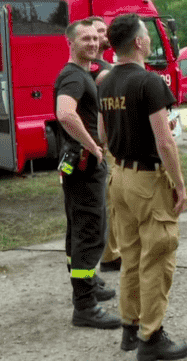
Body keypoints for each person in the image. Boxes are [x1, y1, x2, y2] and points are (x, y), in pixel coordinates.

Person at [97, 13, 187, 360]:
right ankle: (152, 338)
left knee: (132, 257)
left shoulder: (105, 82)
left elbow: (103, 135)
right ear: (138, 43)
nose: (150, 40)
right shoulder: (149, 83)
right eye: (146, 36)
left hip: (119, 177)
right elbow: (165, 141)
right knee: (158, 259)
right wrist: (179, 185)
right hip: (148, 181)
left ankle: (129, 328)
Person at [54, 18, 120, 329]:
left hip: (78, 165)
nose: (93, 43)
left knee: (79, 231)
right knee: (90, 233)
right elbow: (65, 113)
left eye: (96, 38)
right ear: (71, 43)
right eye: (85, 39)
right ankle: (84, 306)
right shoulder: (74, 77)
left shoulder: (80, 73)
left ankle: (88, 286)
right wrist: (93, 145)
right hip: (84, 166)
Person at [87, 16, 122, 274]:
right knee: (109, 200)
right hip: (100, 144)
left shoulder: (105, 64)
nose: (104, 35)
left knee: (111, 200)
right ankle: (110, 255)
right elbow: (110, 80)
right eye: (99, 31)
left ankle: (113, 250)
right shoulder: (95, 68)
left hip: (107, 141)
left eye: (105, 30)